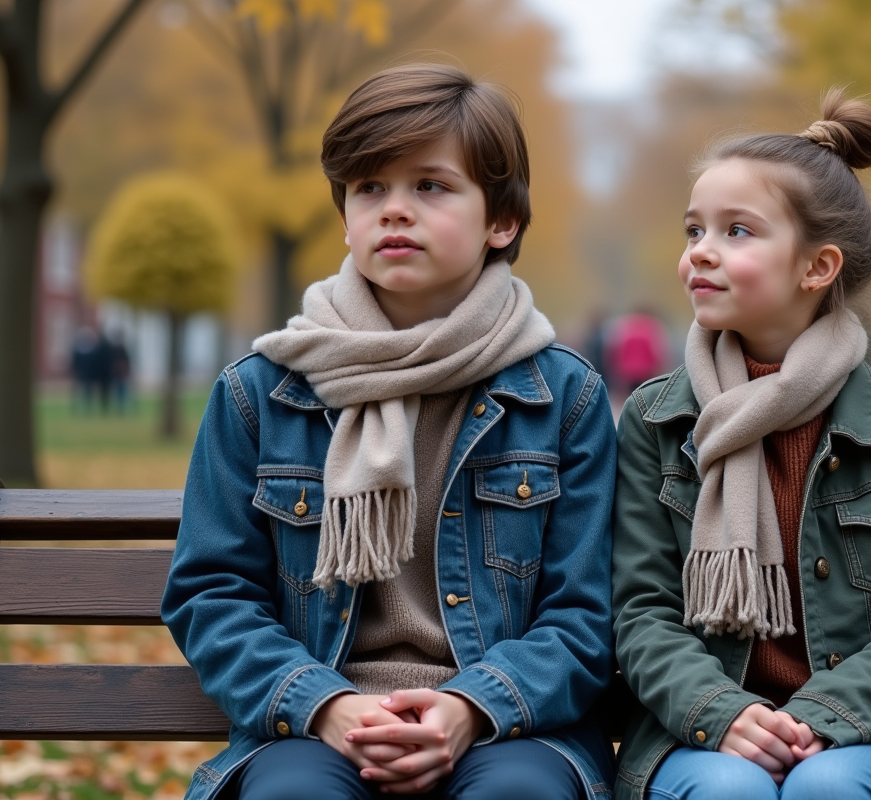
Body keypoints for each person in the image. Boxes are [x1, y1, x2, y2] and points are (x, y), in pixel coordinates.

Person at [162, 64, 617, 800]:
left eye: (431, 186)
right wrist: (325, 705)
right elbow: (212, 595)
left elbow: (584, 614)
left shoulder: (564, 397)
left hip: (509, 728)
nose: (394, 210)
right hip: (316, 723)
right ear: (345, 216)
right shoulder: (261, 392)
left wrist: (472, 707)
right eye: (370, 187)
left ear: (502, 221)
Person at [611, 90, 871, 800]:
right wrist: (721, 712)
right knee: (729, 792)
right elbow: (641, 610)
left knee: (828, 789)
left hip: (869, 733)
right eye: (694, 230)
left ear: (817, 268)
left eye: (737, 232)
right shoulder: (656, 420)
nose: (700, 252)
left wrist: (824, 715)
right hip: (700, 734)